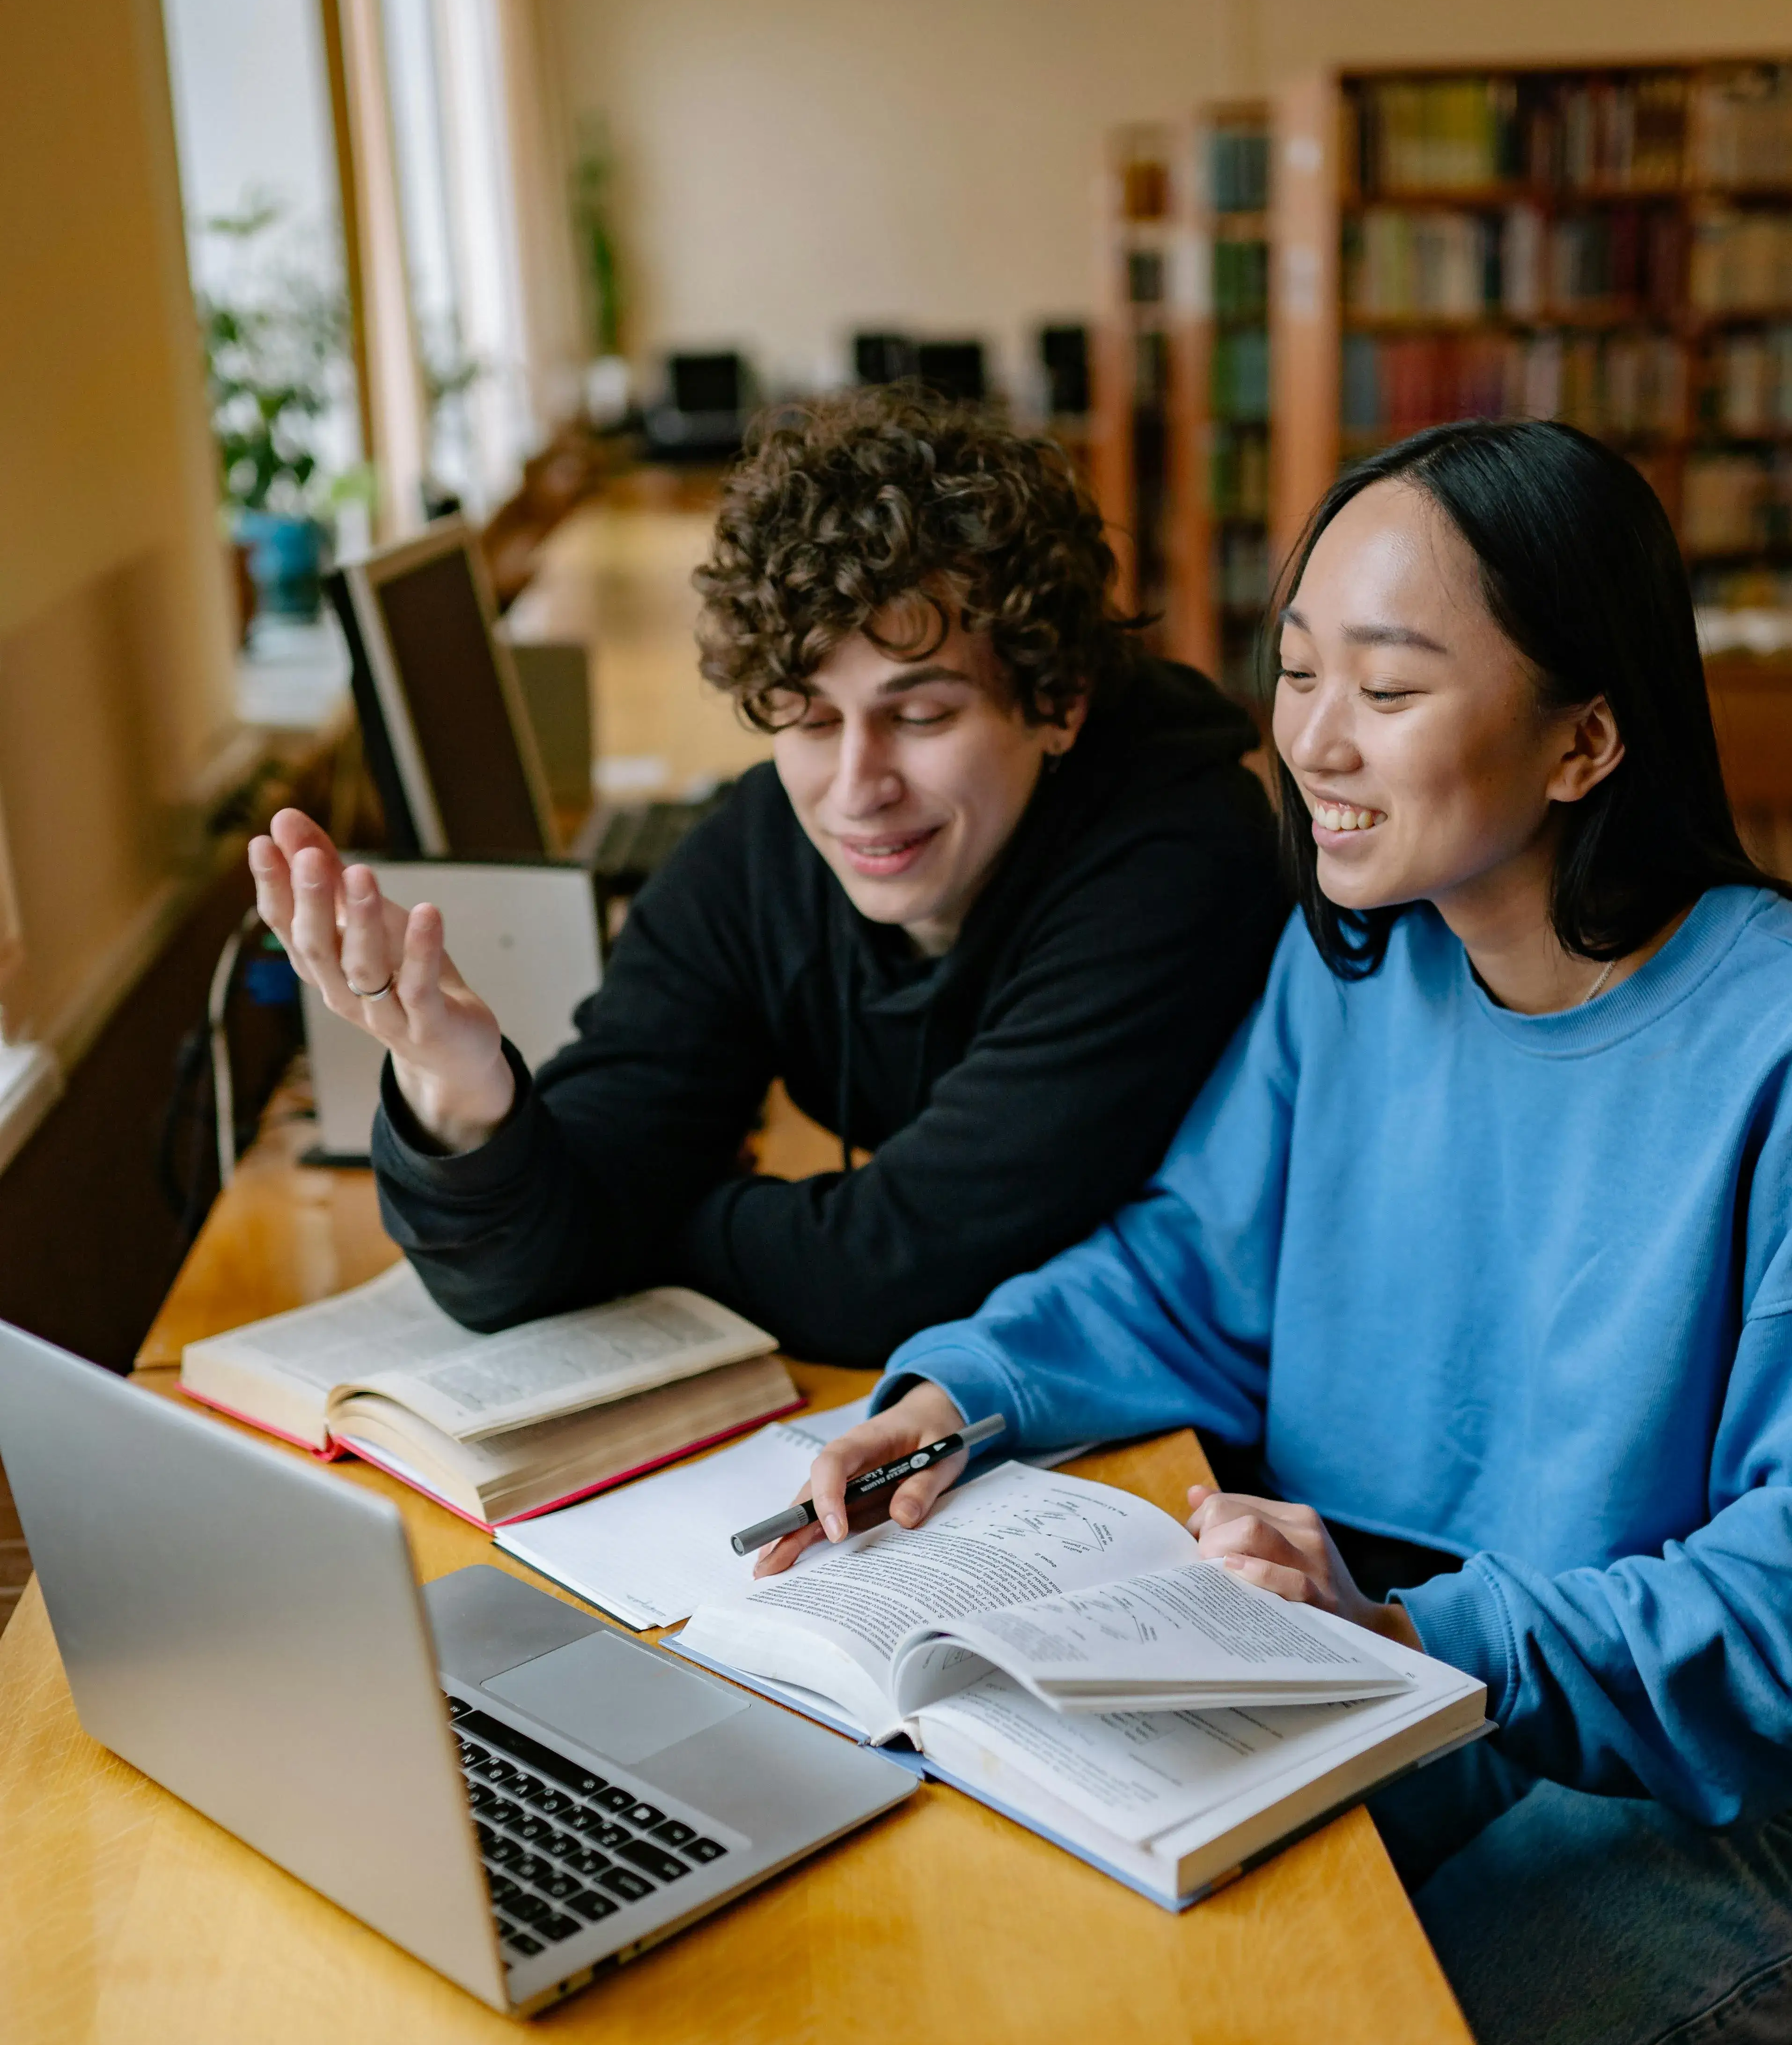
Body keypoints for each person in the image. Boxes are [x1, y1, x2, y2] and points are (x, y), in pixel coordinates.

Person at [778, 419, 1792, 2045]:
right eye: (1297, 669)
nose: (1315, 738)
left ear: (1582, 742)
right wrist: (968, 1387)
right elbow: (1201, 1266)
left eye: (1387, 684)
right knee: (1102, 2009)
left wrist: (1419, 1639)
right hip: (1406, 1662)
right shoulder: (1360, 957)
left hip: (1727, 1786)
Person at [251, 386, 1285, 1367]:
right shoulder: (759, 849)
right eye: (810, 718)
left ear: (1057, 702)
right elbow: (519, 1274)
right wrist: (465, 1095)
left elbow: (898, 1272)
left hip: (1217, 1449)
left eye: (920, 716)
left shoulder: (1178, 863)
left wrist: (637, 1231)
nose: (855, 788)